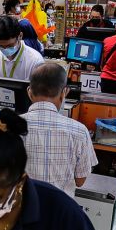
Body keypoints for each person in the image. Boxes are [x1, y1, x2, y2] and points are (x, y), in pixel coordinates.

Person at [23, 63, 98, 198]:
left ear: (29, 92)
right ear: (64, 93)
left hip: (21, 212)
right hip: (61, 213)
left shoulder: (10, 128)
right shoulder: (79, 131)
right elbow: (80, 181)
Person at [0, 15, 46, 81]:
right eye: (1, 46)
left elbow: (38, 90)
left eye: (10, 46)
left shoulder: (35, 61)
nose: (5, 49)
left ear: (20, 36)